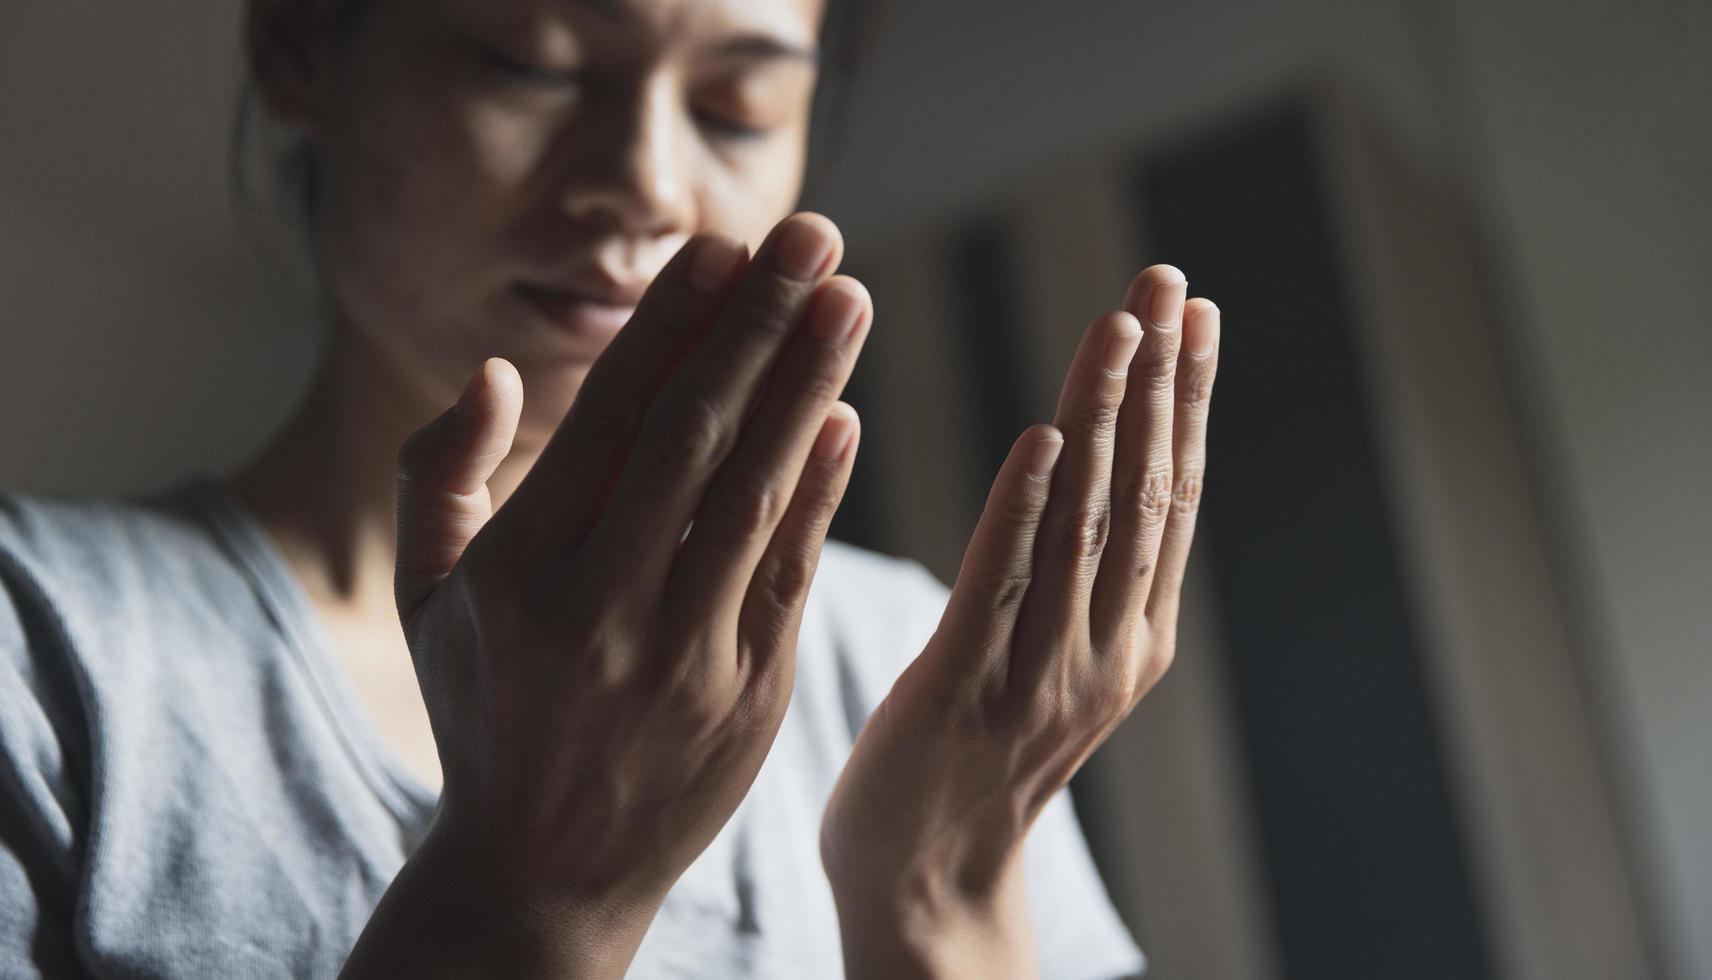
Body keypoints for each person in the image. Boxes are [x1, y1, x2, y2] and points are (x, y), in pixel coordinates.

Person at [0, 0, 1220, 975]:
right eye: (526, 63)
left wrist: (940, 894)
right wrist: (533, 886)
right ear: (299, 47)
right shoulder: (42, 649)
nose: (643, 181)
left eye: (736, 107)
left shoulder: (908, 666)